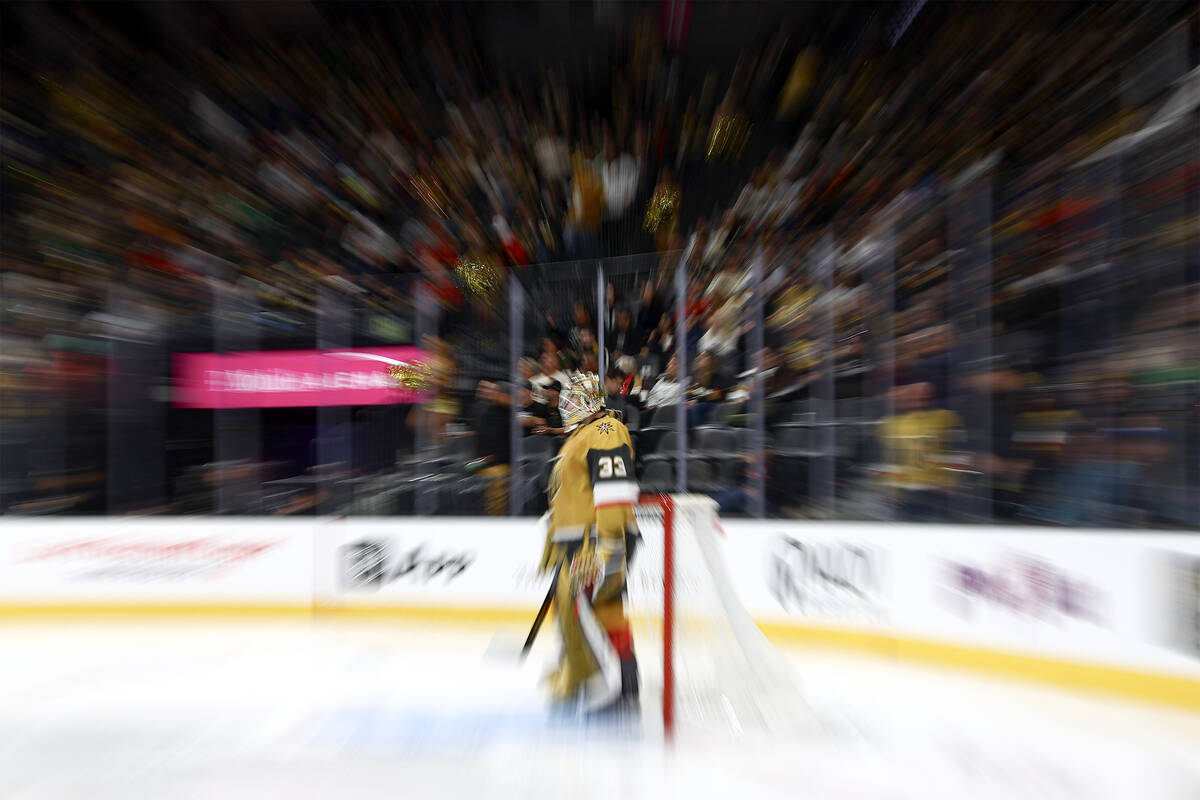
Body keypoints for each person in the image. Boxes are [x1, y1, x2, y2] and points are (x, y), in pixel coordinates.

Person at [537, 372, 640, 713]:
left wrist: (608, 544)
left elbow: (614, 490)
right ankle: (625, 685)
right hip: (579, 542)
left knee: (577, 609)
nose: (565, 404)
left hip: (595, 541)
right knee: (606, 611)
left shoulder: (605, 429)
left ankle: (583, 676)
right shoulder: (581, 436)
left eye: (572, 397)